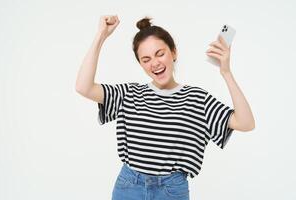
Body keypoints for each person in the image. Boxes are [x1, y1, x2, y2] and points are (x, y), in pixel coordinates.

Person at [75, 15, 255, 200]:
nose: (154, 63)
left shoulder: (197, 99)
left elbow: (246, 123)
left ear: (174, 52)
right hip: (129, 187)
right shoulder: (129, 94)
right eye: (146, 59)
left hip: (171, 191)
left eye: (160, 54)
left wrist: (225, 71)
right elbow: (83, 87)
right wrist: (101, 36)